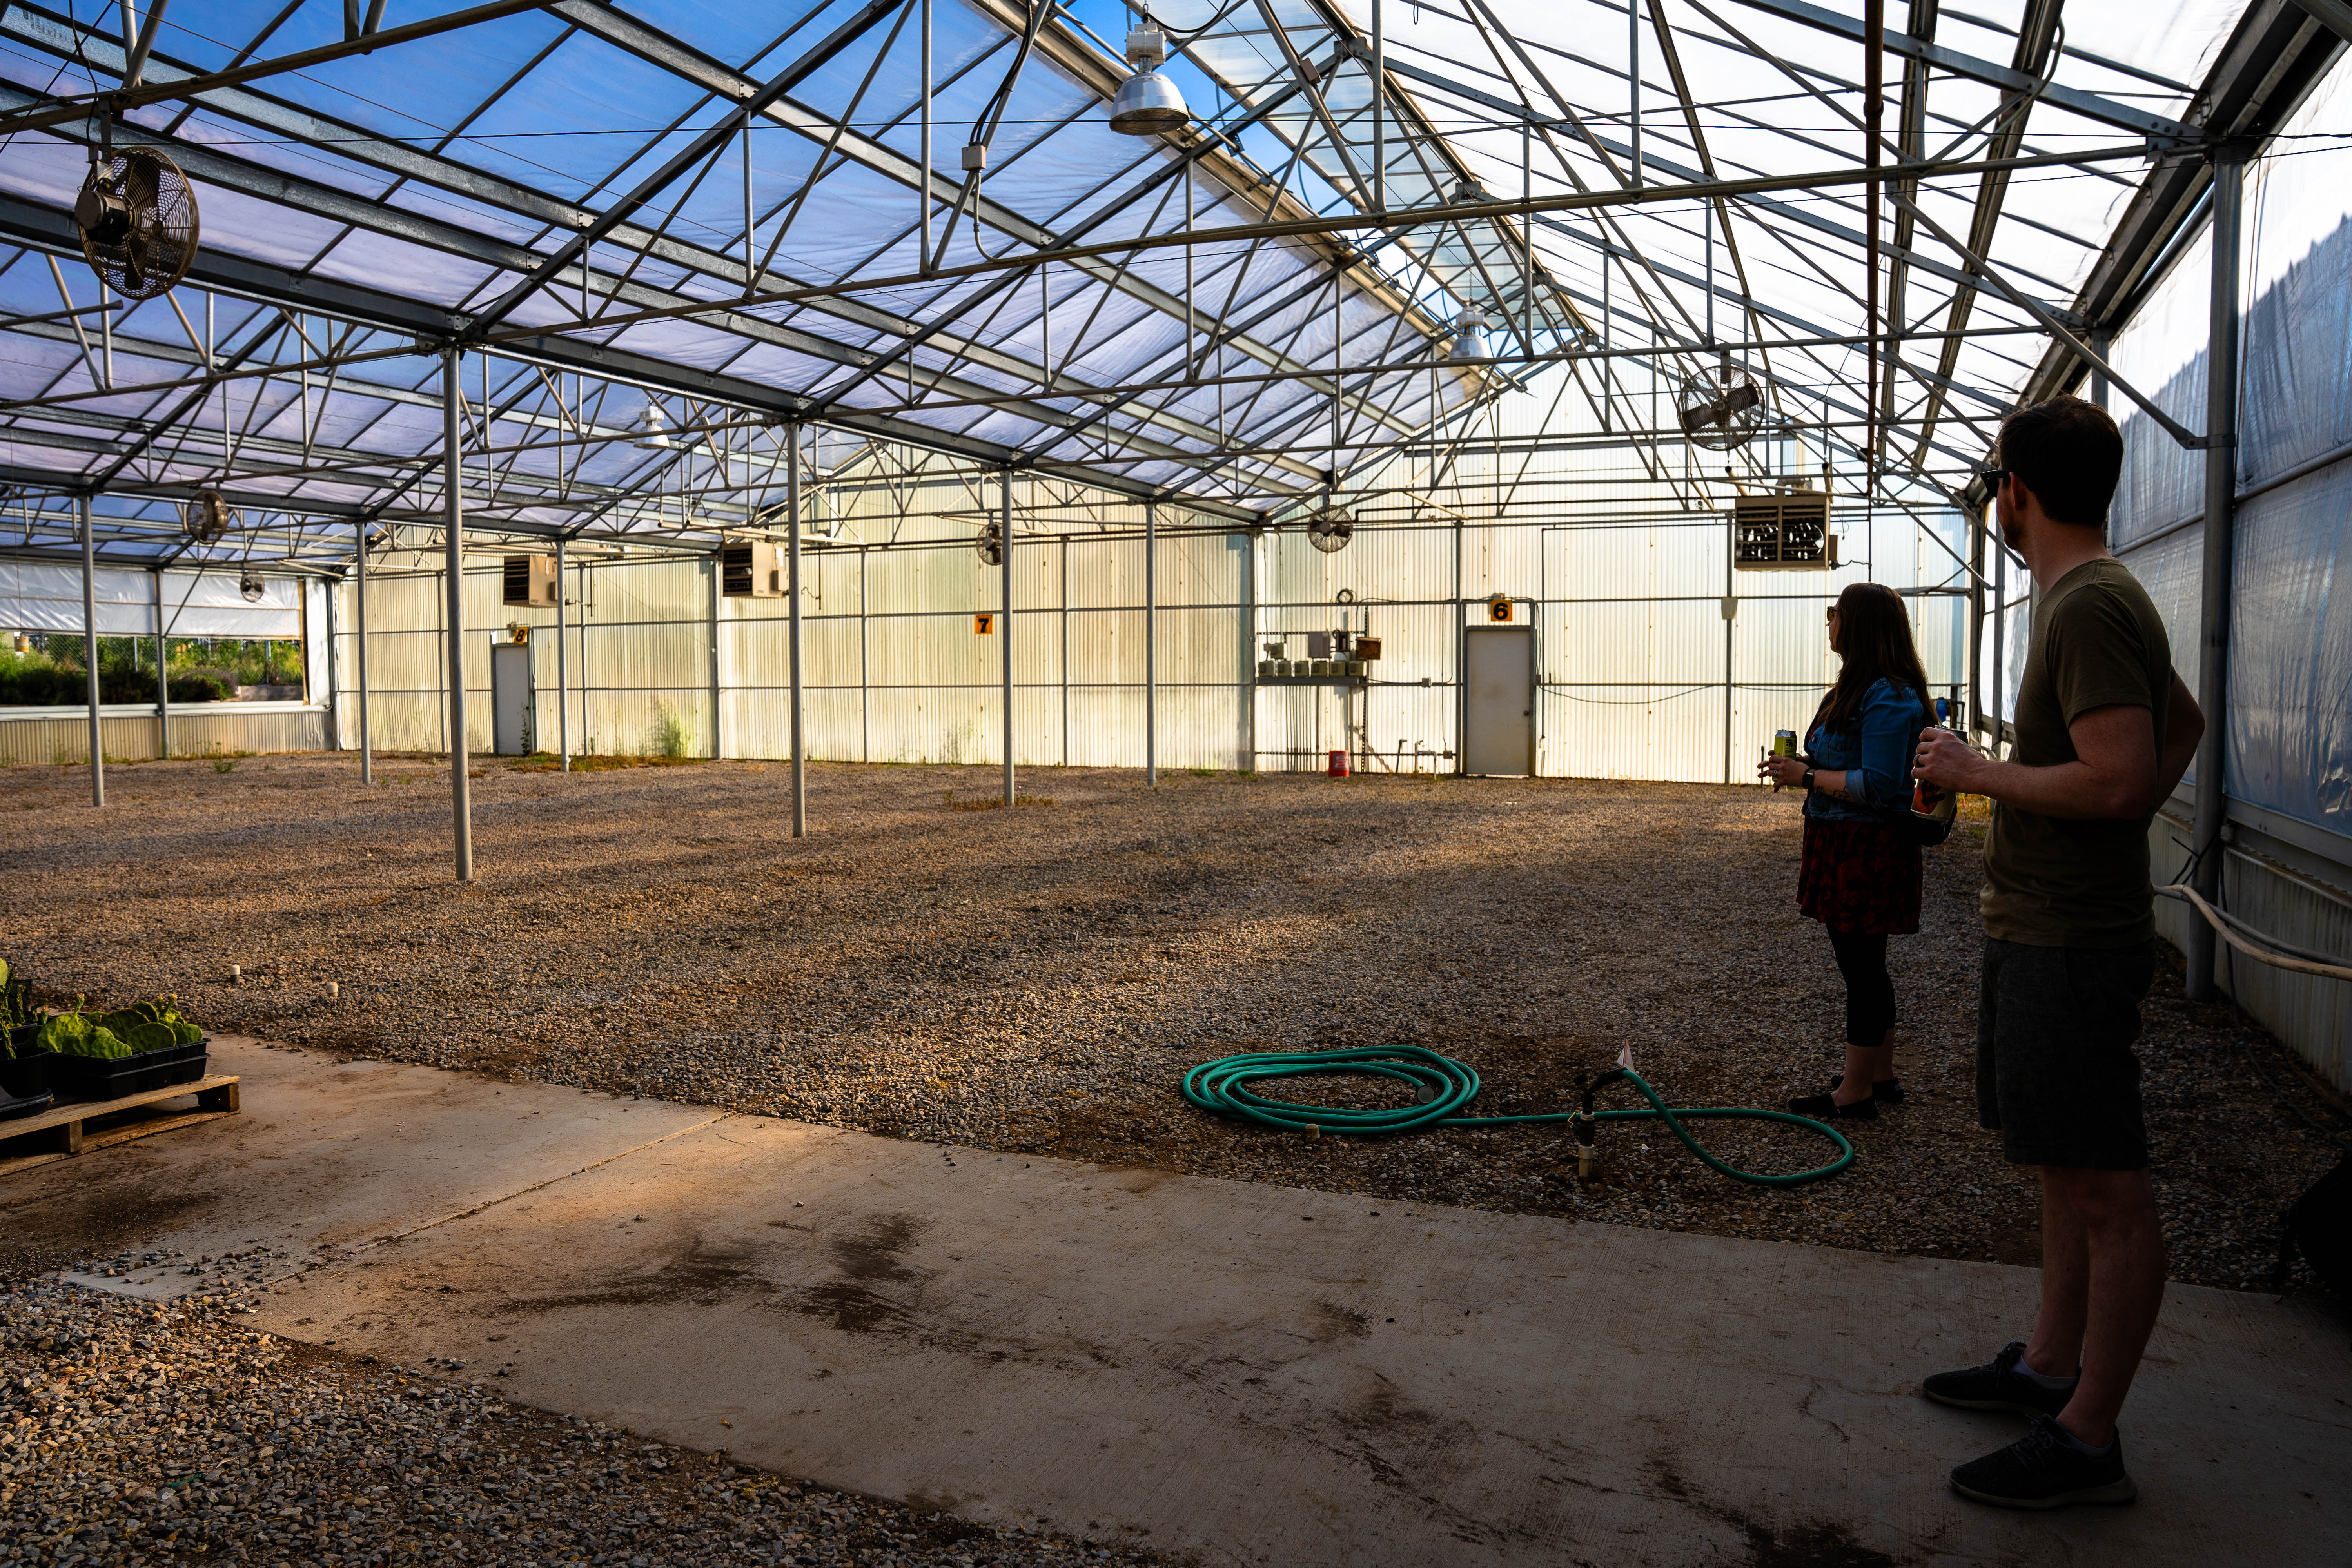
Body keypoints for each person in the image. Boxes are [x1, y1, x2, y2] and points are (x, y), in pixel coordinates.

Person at [1912, 394, 2205, 1510]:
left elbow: (2120, 774)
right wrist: (2109, 817)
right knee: (2061, 1161)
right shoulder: (2094, 597)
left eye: (1998, 483)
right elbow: (2180, 726)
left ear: (2016, 493)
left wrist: (1979, 773)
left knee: (2103, 1182)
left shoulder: (2086, 606)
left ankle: (2087, 1440)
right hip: (2050, 923)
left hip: (2068, 938)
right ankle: (2047, 1366)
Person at [1759, 582, 1936, 1122]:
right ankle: (1878, 1075)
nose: (1829, 623)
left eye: (1835, 614)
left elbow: (1881, 786)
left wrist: (1808, 776)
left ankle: (1855, 1093)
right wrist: (1803, 768)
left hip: (1867, 848)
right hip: (1843, 839)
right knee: (1867, 966)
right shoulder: (1857, 687)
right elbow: (1845, 763)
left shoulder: (1888, 696)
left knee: (1862, 970)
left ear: (1859, 625)